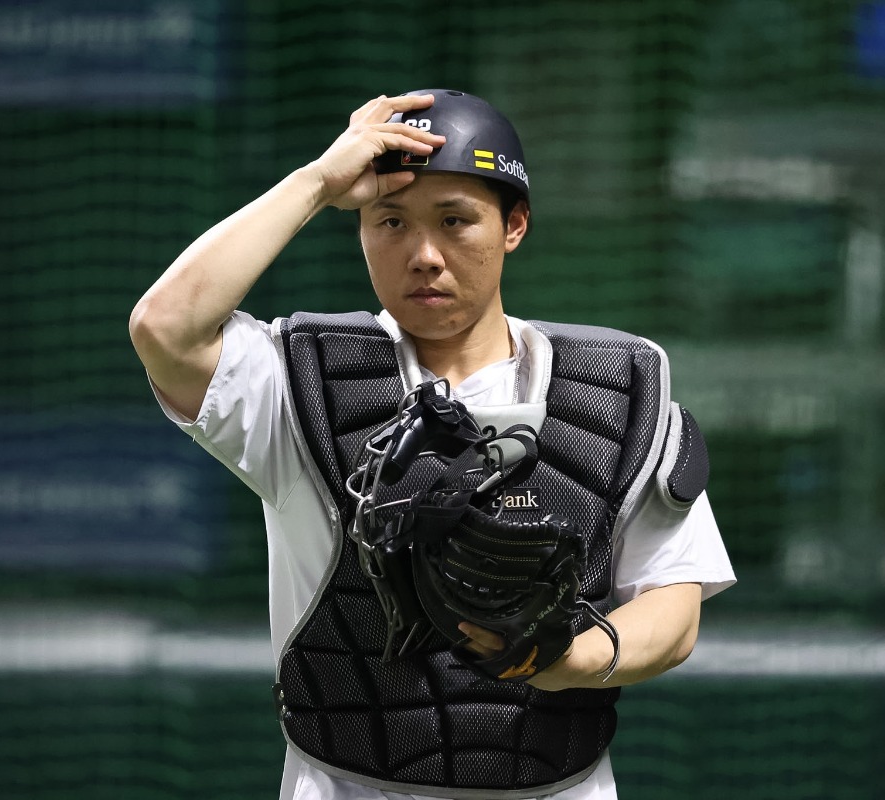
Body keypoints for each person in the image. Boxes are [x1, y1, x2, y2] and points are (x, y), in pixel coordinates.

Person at [129, 89, 735, 800]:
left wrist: (565, 658)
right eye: (390, 221)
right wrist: (316, 183)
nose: (423, 255)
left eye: (455, 221)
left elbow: (674, 610)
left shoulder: (615, 392)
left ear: (514, 225)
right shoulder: (301, 384)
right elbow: (164, 328)